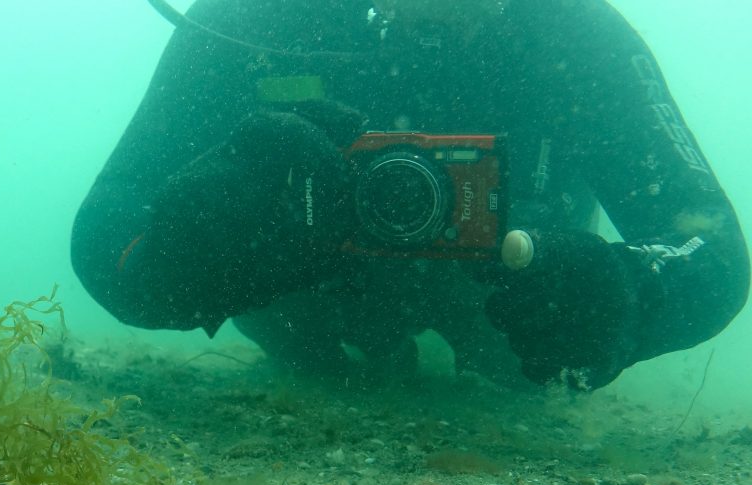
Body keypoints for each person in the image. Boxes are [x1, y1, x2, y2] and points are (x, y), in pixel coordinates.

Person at [70, 0, 749, 390]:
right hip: (299, 303)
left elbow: (712, 251)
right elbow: (108, 226)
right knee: (303, 343)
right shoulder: (255, 20)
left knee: (512, 373)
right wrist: (173, 258)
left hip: (515, 309)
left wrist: (626, 291)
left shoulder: (578, 37)